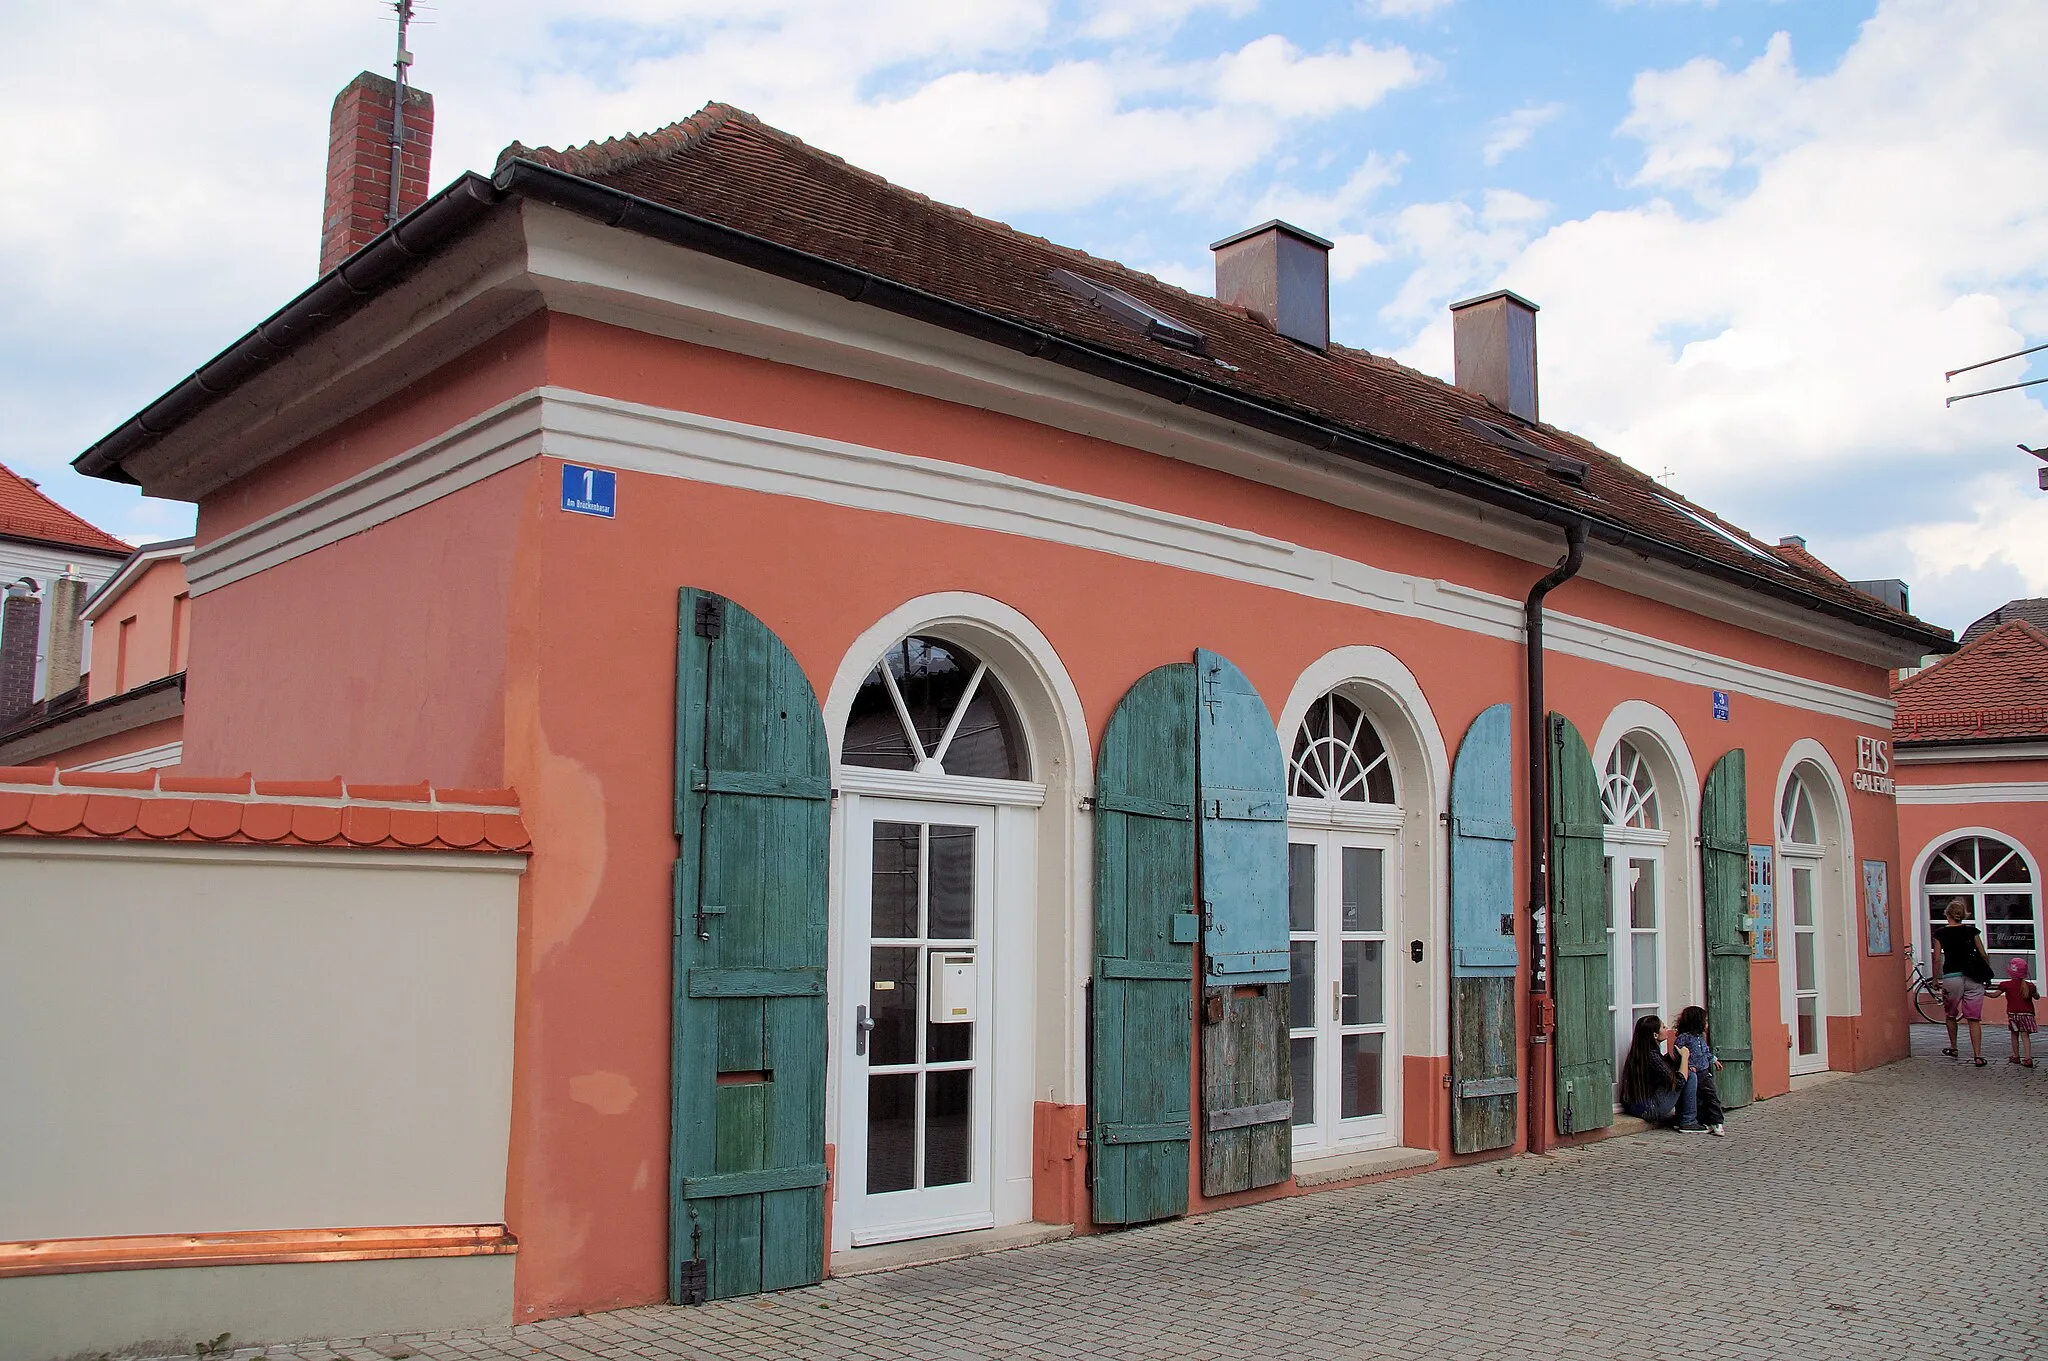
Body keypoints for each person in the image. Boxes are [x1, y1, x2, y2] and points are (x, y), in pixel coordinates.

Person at [1933, 901, 1996, 1066]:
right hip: (1973, 977)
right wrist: (1985, 972)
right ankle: (1977, 1055)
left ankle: (1954, 1047)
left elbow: (1937, 958)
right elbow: (1983, 954)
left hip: (1951, 977)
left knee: (1951, 1014)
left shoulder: (1940, 933)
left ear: (1947, 914)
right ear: (1963, 915)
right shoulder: (1971, 931)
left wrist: (1934, 978)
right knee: (1974, 1018)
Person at [1618, 1013, 1686, 1126]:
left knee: (1680, 1071)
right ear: (1655, 1035)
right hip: (1649, 1109)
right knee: (1689, 1076)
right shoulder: (1652, 1056)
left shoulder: (1639, 1053)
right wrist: (1685, 1057)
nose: (1667, 1029)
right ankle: (1688, 1120)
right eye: (1663, 1027)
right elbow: (1680, 1082)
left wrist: (1671, 1059)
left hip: (1633, 1106)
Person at [1671, 1005, 1726, 1137]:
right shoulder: (1684, 1038)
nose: (1706, 1024)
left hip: (1704, 1072)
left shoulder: (1700, 1037)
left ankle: (1714, 1121)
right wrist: (1688, 1065)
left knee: (1710, 1096)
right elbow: (1678, 1053)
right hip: (1694, 1073)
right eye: (1704, 1021)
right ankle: (1711, 1122)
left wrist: (1713, 1060)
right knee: (1694, 1097)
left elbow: (1705, 1051)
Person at [1996, 956, 2039, 1069]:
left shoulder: (2006, 984)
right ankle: (2028, 1058)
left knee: (2014, 1034)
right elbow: (2037, 997)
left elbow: (1995, 995)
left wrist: (1983, 993)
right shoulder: (2030, 986)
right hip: (2028, 1014)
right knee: (2025, 1036)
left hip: (2013, 1014)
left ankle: (2016, 1056)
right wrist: (2034, 991)